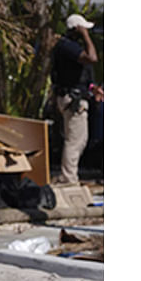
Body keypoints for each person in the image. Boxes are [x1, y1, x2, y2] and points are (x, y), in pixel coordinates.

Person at [51, 14, 104, 184]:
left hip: (76, 96)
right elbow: (92, 58)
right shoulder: (67, 46)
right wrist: (86, 36)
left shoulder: (71, 47)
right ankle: (68, 177)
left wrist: (93, 88)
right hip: (72, 100)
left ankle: (69, 174)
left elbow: (78, 75)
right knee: (74, 140)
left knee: (80, 140)